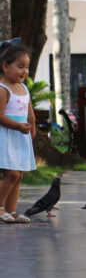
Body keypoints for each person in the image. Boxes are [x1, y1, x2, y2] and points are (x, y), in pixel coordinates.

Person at [0, 39, 36, 223]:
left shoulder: (23, 88)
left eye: (27, 67)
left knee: (19, 174)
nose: (25, 71)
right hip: (6, 136)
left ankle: (11, 210)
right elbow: (0, 115)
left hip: (21, 136)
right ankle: (0, 208)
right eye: (20, 66)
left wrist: (32, 129)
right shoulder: (2, 88)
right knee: (11, 173)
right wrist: (18, 126)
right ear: (5, 67)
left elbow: (30, 114)